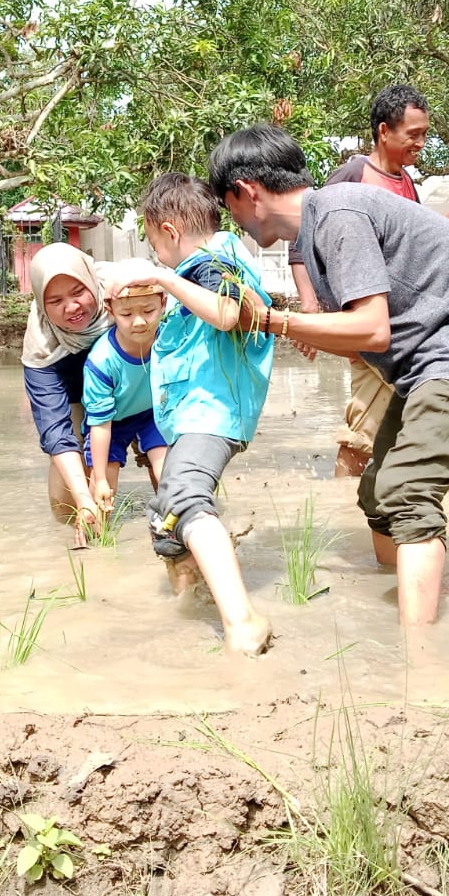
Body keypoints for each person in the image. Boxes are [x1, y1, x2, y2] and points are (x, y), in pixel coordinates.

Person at [209, 124, 449, 628]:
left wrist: (273, 321)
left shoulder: (336, 213)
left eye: (229, 206)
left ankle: (418, 658)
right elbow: (368, 335)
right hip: (433, 362)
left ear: (247, 191)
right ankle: (401, 602)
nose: (235, 220)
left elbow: (373, 329)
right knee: (378, 491)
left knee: (406, 490)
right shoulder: (319, 227)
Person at [99, 173, 274, 656]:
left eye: (156, 245)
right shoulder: (211, 265)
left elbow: (225, 313)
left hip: (211, 415)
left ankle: (242, 621)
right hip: (199, 417)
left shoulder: (209, 263)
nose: (158, 256)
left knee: (184, 500)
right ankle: (186, 608)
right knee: (166, 520)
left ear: (170, 232)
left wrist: (161, 278)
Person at [290, 82, 449, 477]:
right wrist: (309, 308)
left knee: (385, 431)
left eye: (425, 135)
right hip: (368, 324)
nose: (421, 144)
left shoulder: (406, 181)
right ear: (384, 132)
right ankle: (341, 509)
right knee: (364, 437)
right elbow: (301, 239)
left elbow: (408, 244)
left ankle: (353, 501)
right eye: (413, 135)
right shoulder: (353, 173)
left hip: (405, 328)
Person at [22, 243, 116, 531]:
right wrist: (83, 498)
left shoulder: (121, 299)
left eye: (78, 292)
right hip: (74, 386)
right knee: (66, 499)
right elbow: (56, 430)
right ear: (40, 303)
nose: (71, 307)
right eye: (55, 301)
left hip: (132, 383)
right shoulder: (40, 349)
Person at [83, 283, 169, 511]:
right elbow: (100, 425)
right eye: (126, 314)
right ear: (110, 310)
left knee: (168, 475)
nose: (139, 321)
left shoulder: (169, 339)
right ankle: (96, 541)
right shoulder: (101, 362)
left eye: (148, 312)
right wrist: (99, 478)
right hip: (112, 420)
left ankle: (176, 532)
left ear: (163, 303)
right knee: (103, 489)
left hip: (153, 413)